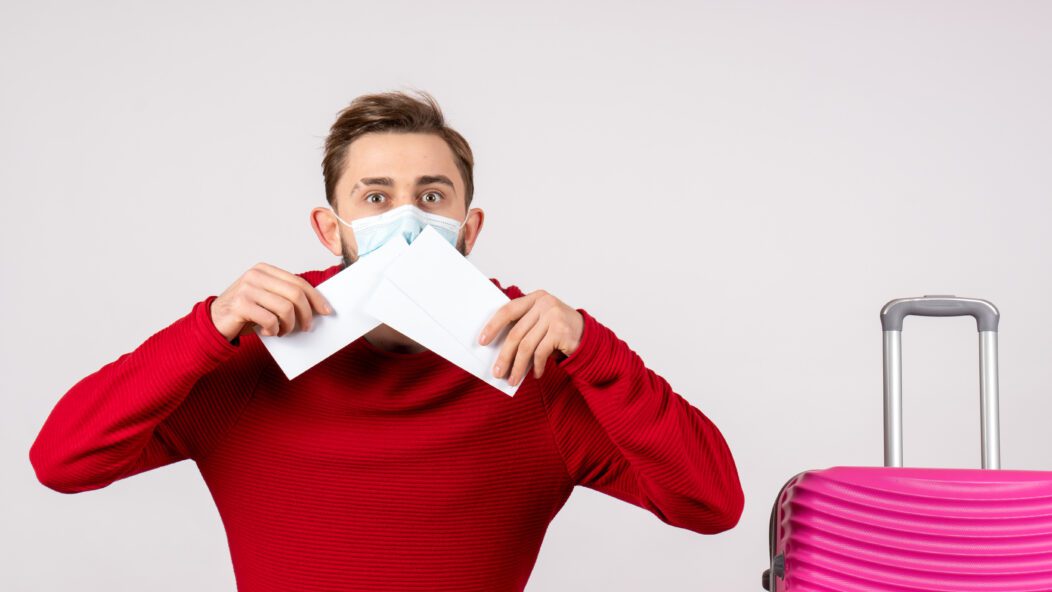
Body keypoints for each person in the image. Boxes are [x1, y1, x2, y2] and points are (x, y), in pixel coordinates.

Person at [29, 89, 744, 591]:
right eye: (375, 196)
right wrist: (206, 327)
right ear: (328, 226)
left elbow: (711, 505)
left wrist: (592, 347)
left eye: (432, 196)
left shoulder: (536, 367)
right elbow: (62, 460)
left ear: (469, 228)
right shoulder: (252, 360)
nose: (406, 219)